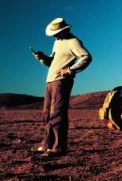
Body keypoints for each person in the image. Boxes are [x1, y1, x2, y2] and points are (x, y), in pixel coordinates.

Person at [32, 17, 92, 157]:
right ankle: (47, 144)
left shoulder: (73, 41)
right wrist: (42, 57)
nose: (54, 35)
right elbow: (52, 62)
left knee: (57, 114)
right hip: (50, 81)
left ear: (63, 30)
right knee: (47, 114)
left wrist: (70, 70)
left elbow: (86, 57)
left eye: (56, 32)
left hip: (61, 81)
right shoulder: (57, 42)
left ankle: (59, 148)